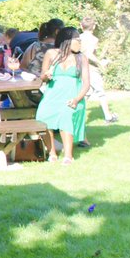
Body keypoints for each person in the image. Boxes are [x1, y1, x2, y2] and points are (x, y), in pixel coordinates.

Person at [35, 27, 90, 164]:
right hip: (53, 94)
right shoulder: (51, 54)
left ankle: (68, 155)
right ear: (67, 41)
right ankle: (51, 152)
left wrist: (77, 99)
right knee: (42, 116)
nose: (80, 43)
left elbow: (86, 84)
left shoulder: (81, 58)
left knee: (66, 115)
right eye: (77, 40)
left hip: (72, 96)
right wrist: (46, 76)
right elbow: (42, 77)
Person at [79, 16, 118, 123]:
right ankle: (108, 117)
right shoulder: (93, 39)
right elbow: (89, 53)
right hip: (91, 69)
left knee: (86, 93)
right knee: (100, 92)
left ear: (81, 26)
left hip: (81, 68)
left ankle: (78, 116)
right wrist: (100, 63)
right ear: (94, 27)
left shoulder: (79, 38)